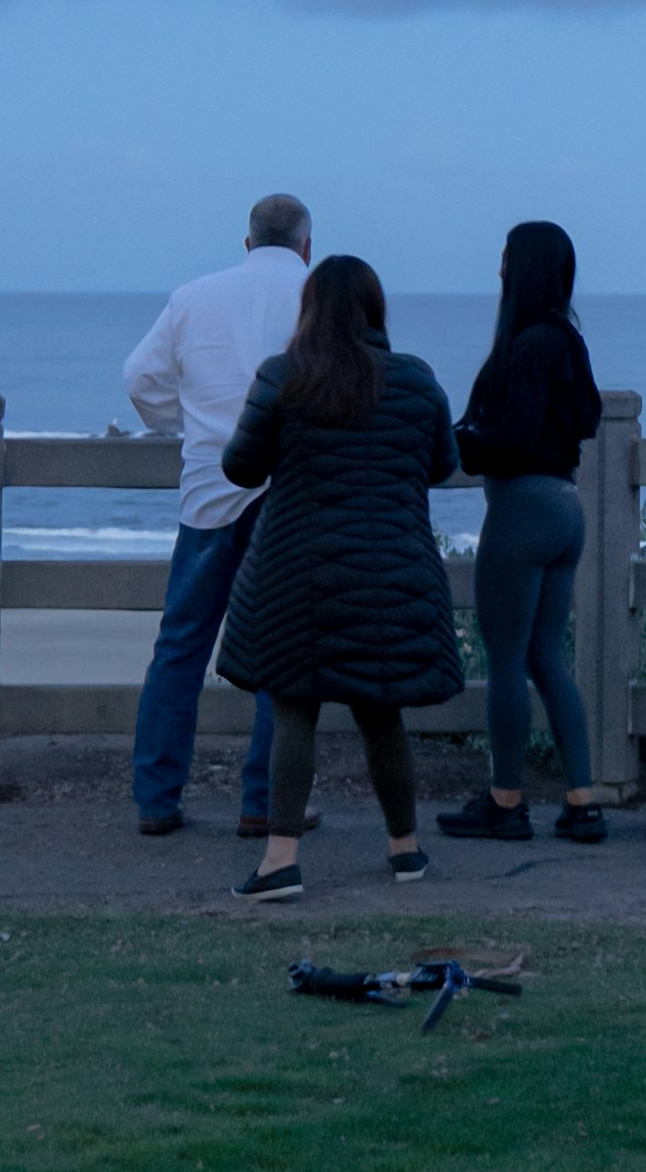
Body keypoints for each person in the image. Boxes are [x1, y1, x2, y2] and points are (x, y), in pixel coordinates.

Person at [215, 254, 463, 904]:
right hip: (393, 567)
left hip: (298, 569)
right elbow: (442, 463)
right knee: (381, 711)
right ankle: (406, 850)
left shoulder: (283, 377)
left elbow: (240, 468)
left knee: (293, 706)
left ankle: (280, 861)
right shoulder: (414, 379)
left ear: (310, 310)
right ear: (375, 310)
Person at [122, 191, 313, 840]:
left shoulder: (193, 296)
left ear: (247, 242)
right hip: (288, 494)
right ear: (306, 245)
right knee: (279, 649)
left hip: (210, 487)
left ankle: (156, 797)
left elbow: (139, 379)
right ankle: (263, 800)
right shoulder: (320, 297)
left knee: (181, 644)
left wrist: (193, 427)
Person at [439, 219, 608, 845]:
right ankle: (582, 800)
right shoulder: (568, 339)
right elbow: (586, 420)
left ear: (525, 268)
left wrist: (462, 444)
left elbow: (512, 438)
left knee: (505, 659)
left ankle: (506, 801)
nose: (499, 269)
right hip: (566, 508)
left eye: (506, 258)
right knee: (546, 658)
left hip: (522, 509)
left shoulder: (529, 344)